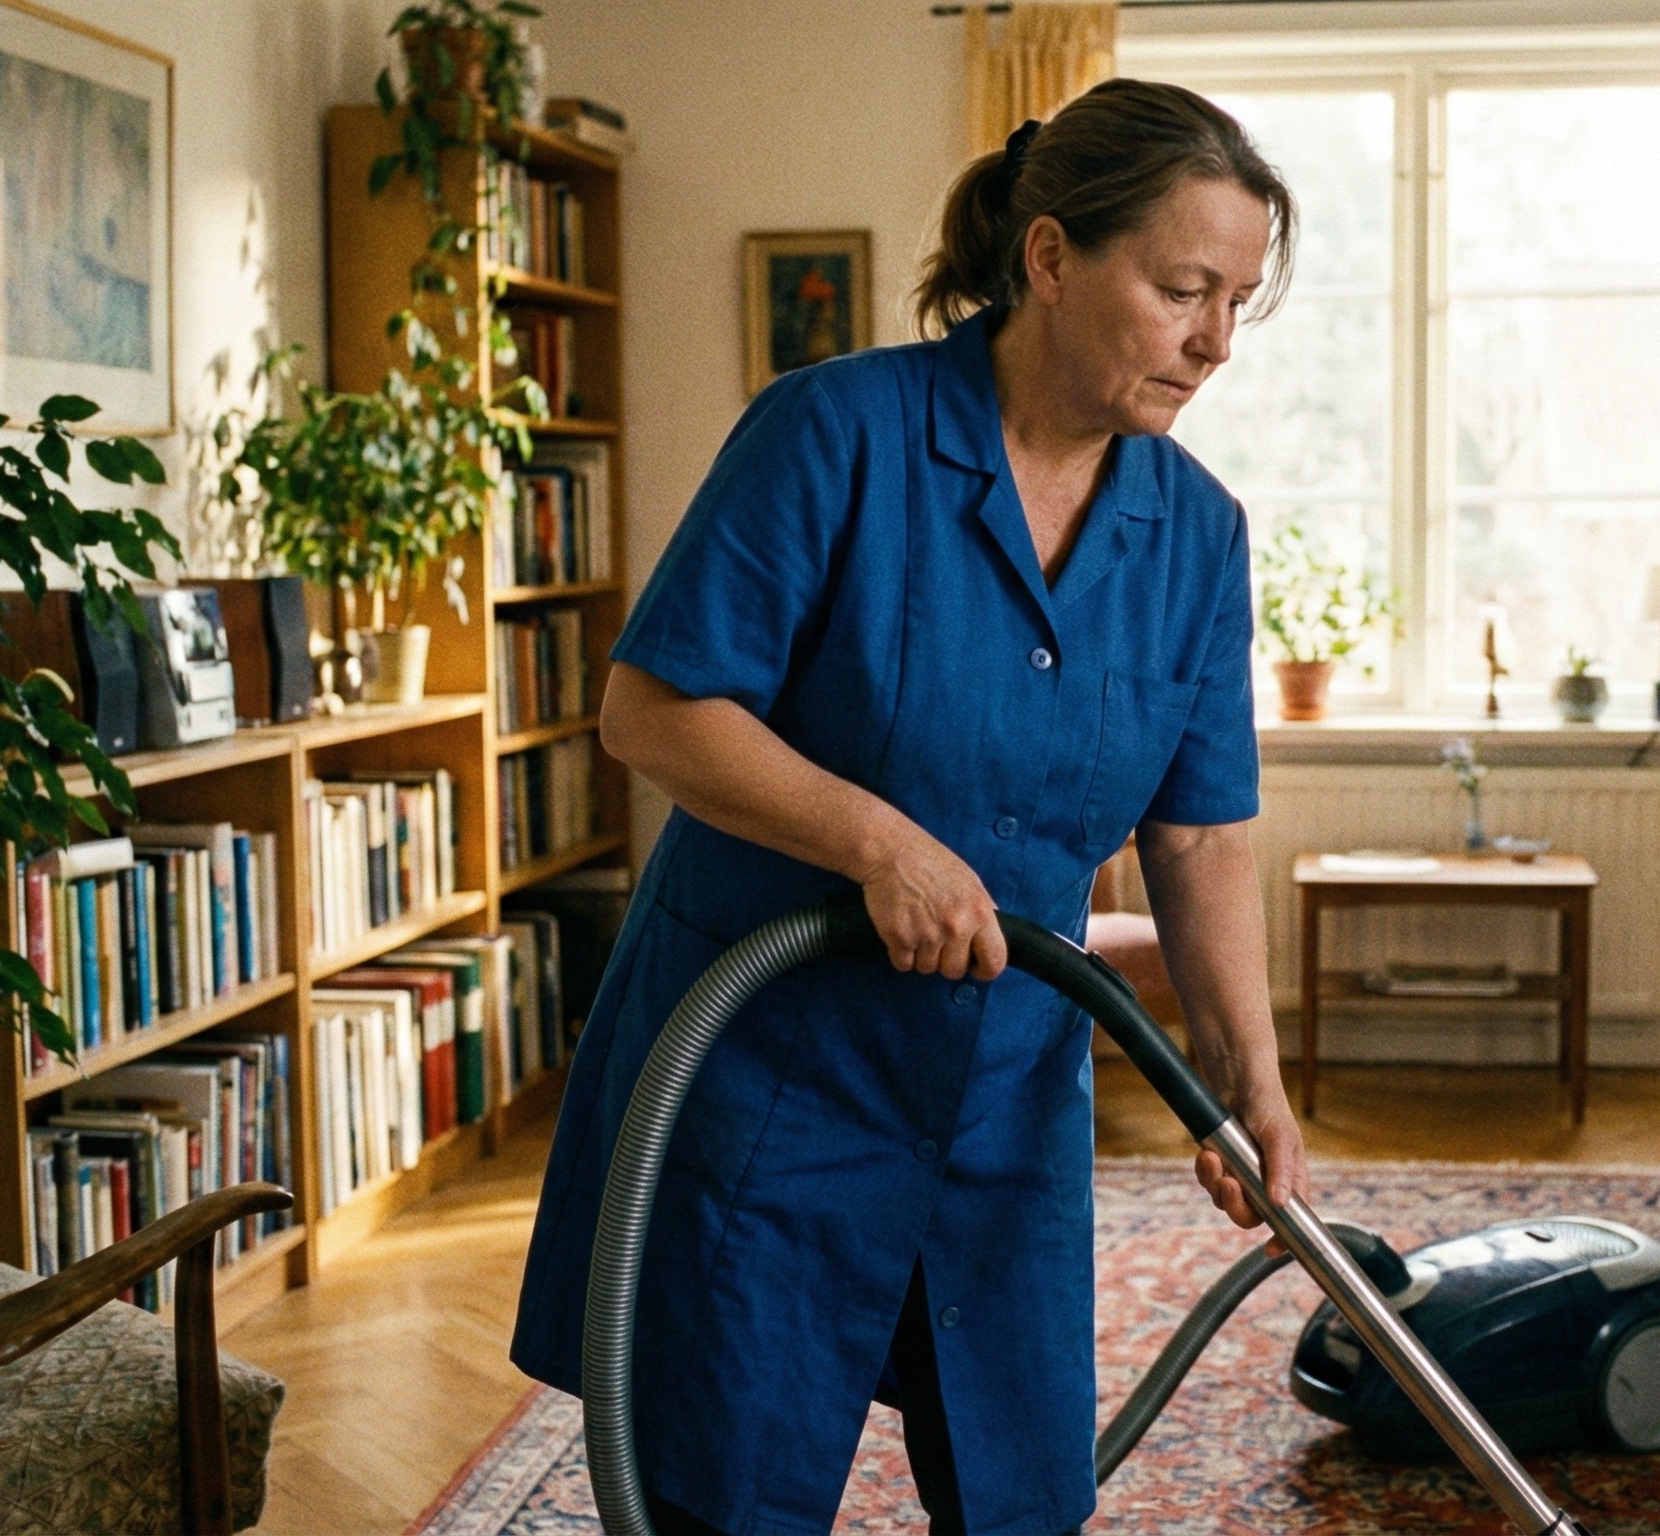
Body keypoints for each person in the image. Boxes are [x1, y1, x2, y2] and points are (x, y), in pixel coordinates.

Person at [509, 79, 1306, 1536]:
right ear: (1052, 260)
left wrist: (1245, 1074)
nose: (1212, 341)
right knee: (725, 1498)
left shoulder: (1197, 533)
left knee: (1022, 1499)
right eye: (1182, 288)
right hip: (765, 1083)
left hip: (1007, 1101)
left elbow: (1199, 832)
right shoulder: (834, 436)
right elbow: (652, 709)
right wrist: (875, 841)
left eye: (1238, 301)